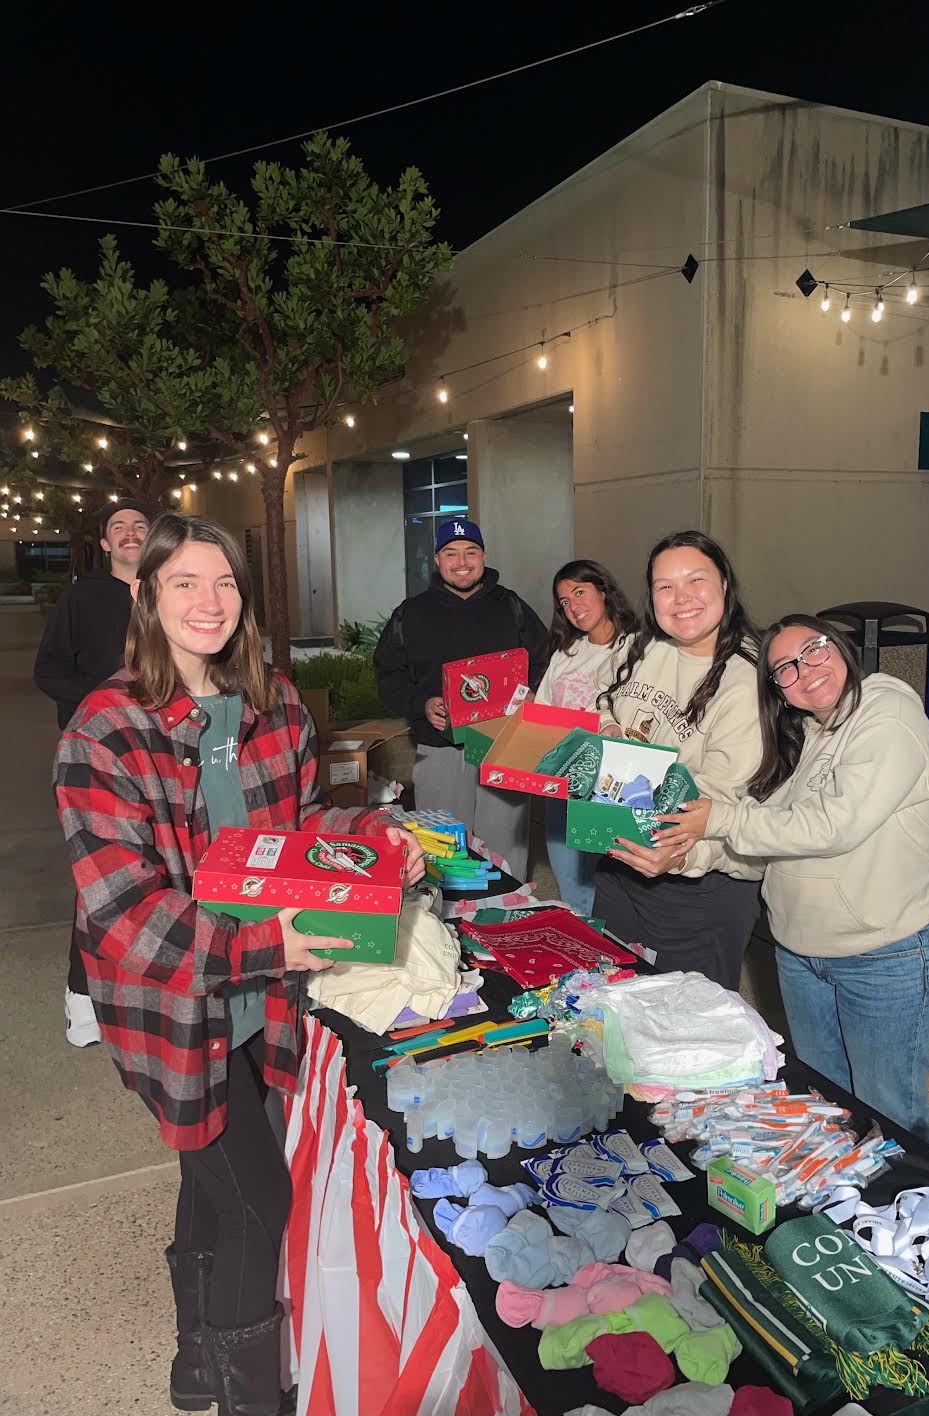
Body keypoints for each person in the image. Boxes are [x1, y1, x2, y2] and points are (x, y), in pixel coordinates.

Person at [53, 514, 425, 1416]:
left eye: (225, 584)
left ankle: (193, 1356)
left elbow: (301, 832)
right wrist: (269, 944)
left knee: (206, 1173)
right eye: (184, 582)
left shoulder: (274, 704)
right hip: (173, 1007)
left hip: (262, 1002)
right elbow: (123, 912)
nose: (209, 603)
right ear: (145, 595)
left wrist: (373, 838)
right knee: (259, 1201)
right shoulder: (104, 728)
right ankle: (249, 1394)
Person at [661, 614, 929, 1142]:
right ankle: (840, 1210)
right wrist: (685, 854)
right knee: (826, 1105)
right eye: (784, 669)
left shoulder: (887, 709)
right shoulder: (805, 739)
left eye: (814, 649)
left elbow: (834, 826)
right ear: (780, 692)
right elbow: (769, 844)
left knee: (888, 1116)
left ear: (842, 647)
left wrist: (720, 819)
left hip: (886, 954)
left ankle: (899, 1211)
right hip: (801, 955)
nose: (805, 670)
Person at [593, 531, 764, 989]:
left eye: (695, 580)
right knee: (611, 1002)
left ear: (725, 583)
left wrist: (679, 857)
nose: (680, 598)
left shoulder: (746, 681)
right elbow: (604, 703)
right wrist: (607, 730)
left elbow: (733, 804)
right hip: (620, 857)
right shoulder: (644, 648)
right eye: (664, 586)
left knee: (686, 1030)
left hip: (693, 879)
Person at [35, 497, 152, 1046]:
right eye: (118, 528)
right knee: (100, 878)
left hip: (163, 758)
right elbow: (49, 670)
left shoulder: (169, 591)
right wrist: (105, 704)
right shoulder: (82, 598)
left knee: (159, 876)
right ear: (104, 542)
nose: (129, 534)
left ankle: (152, 990)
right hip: (97, 760)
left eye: (139, 526)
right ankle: (83, 1000)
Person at [374, 516, 548, 879]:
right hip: (441, 748)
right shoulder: (411, 613)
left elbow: (545, 659)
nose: (462, 561)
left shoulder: (511, 606)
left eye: (471, 551)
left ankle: (506, 918)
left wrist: (533, 691)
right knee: (444, 847)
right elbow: (388, 676)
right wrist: (421, 703)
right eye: (451, 553)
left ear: (484, 555)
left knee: (506, 849)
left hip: (504, 746)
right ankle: (449, 927)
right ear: (437, 560)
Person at [533, 559, 637, 914]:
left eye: (580, 592)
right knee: (571, 885)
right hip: (562, 782)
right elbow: (543, 711)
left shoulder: (636, 649)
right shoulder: (567, 651)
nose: (574, 607)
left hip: (610, 786)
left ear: (603, 591)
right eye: (564, 601)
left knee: (611, 882)